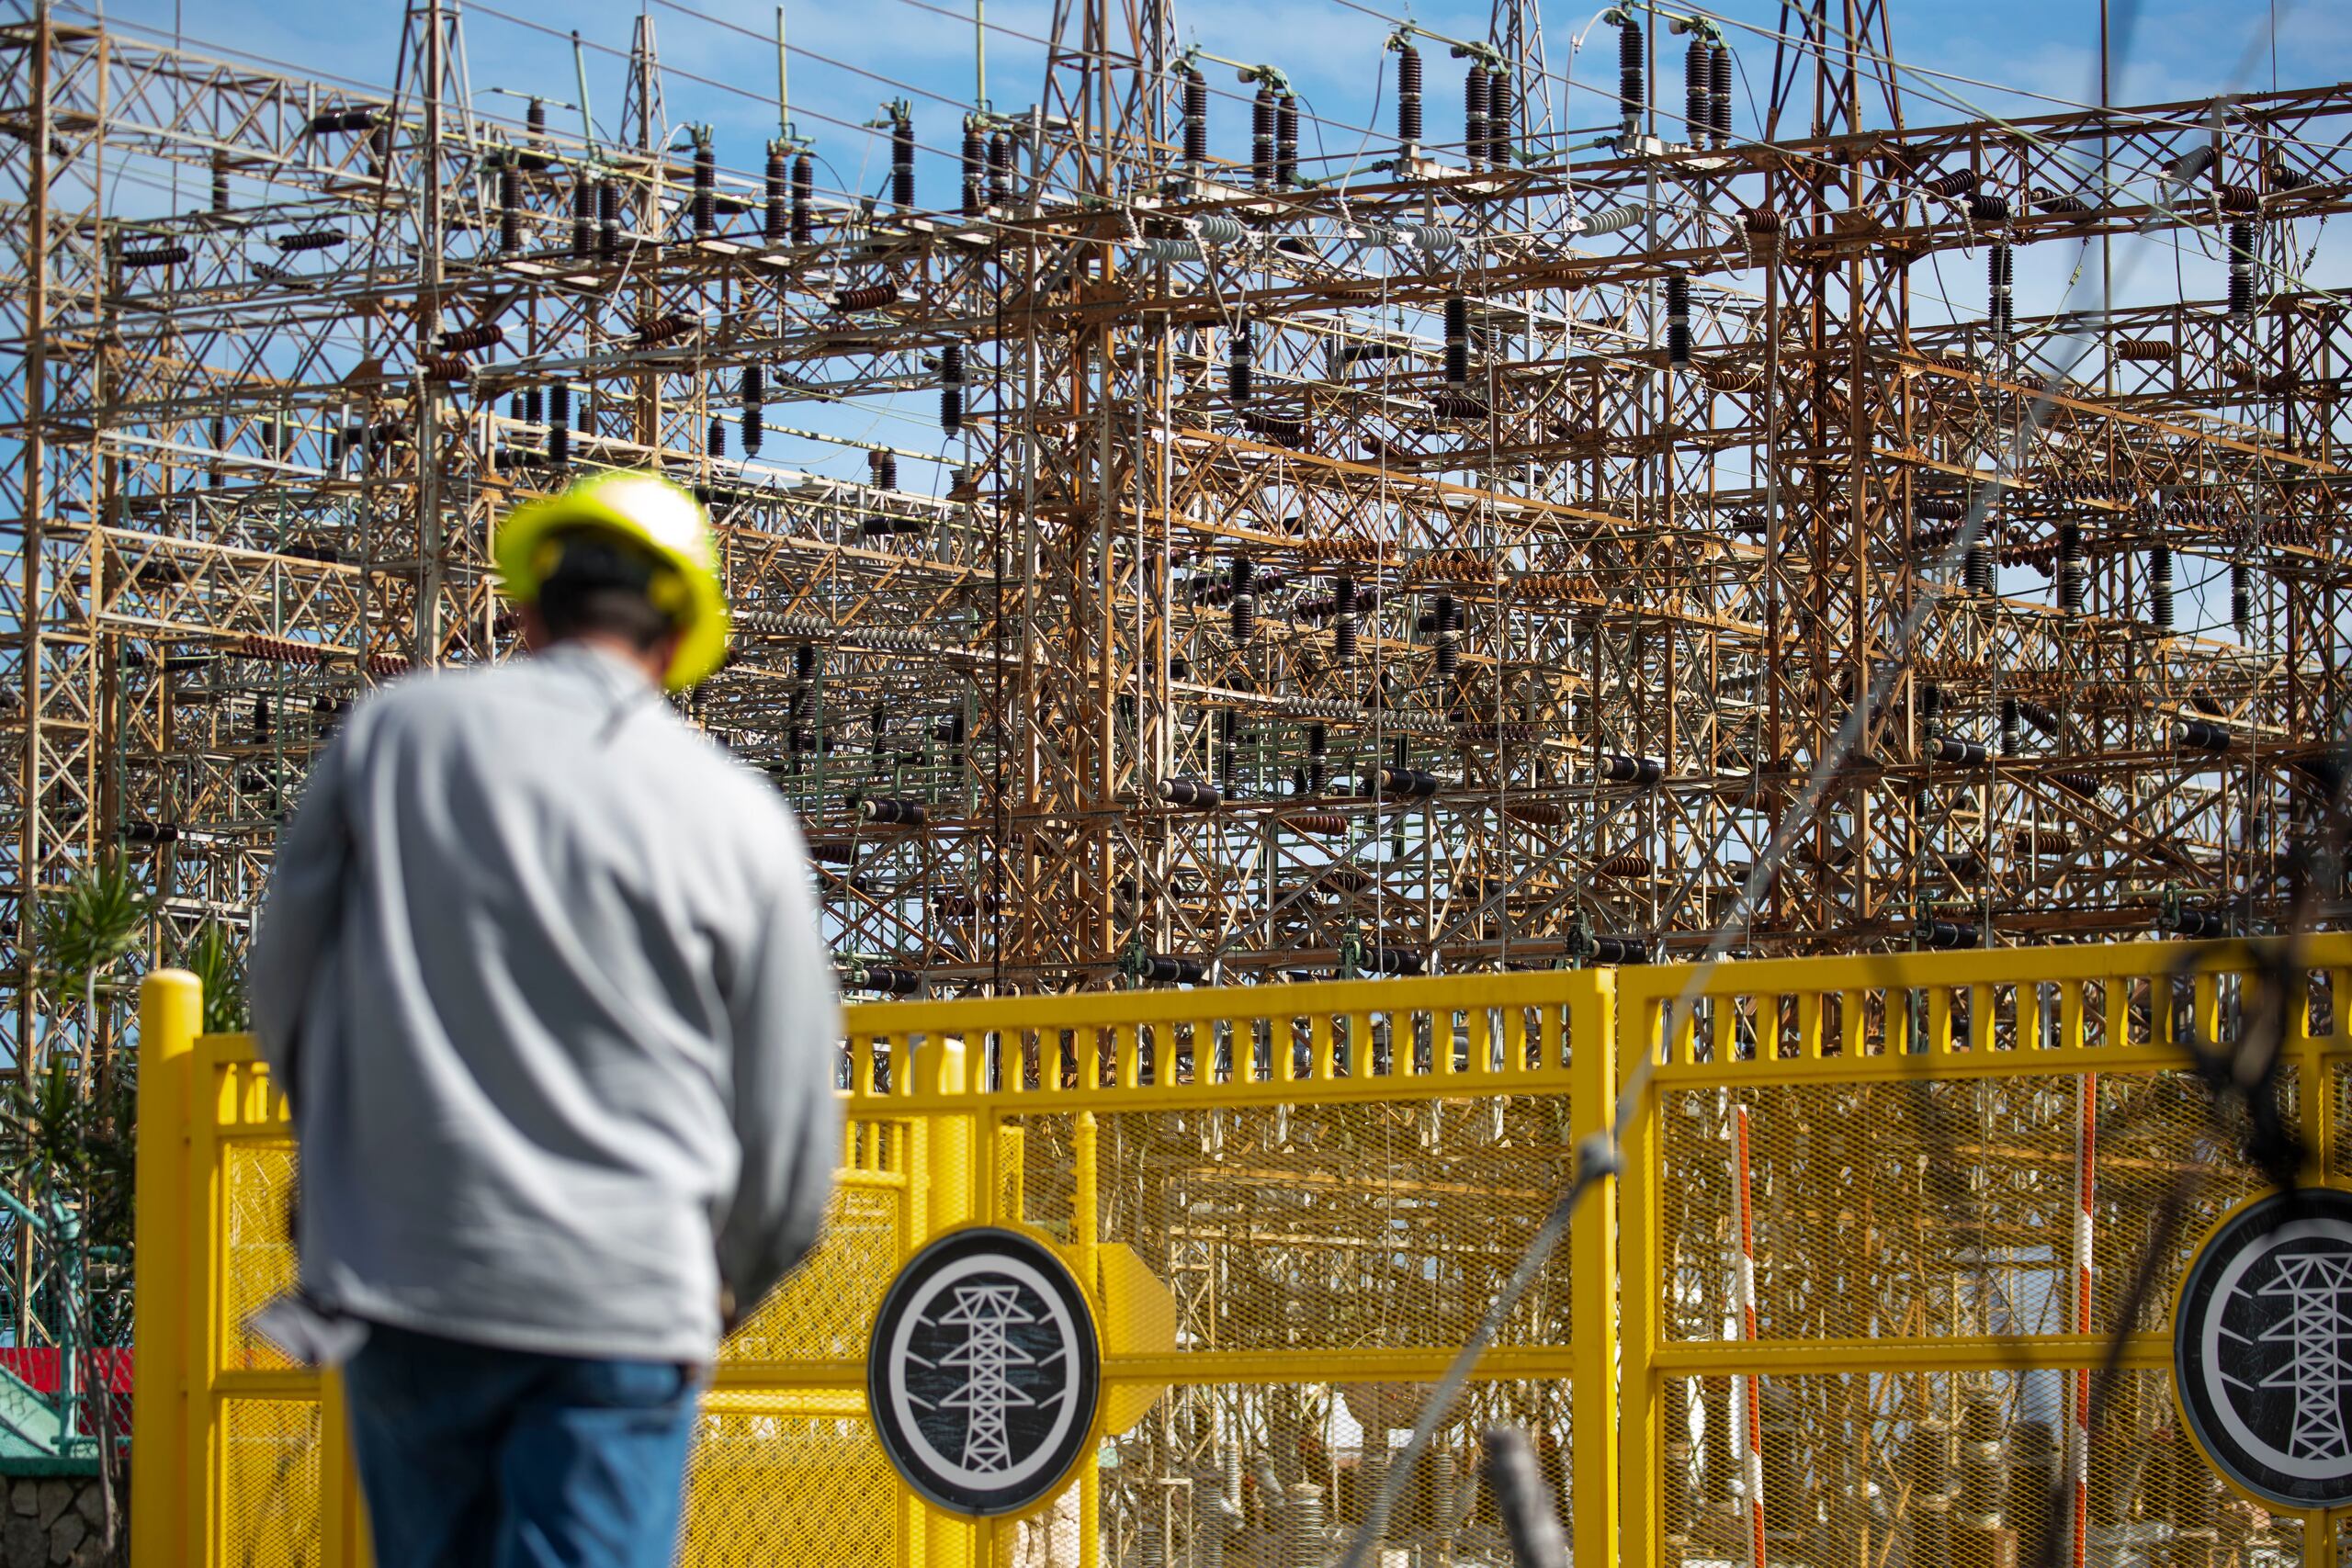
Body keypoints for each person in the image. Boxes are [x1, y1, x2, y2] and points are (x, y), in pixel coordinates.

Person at [249, 470, 842, 1568]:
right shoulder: (738, 816)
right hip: (622, 1299)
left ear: (527, 608)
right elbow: (792, 1130)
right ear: (677, 638)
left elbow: (281, 987)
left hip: (408, 1273)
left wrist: (344, 1172)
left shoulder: (394, 738)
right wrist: (719, 1284)